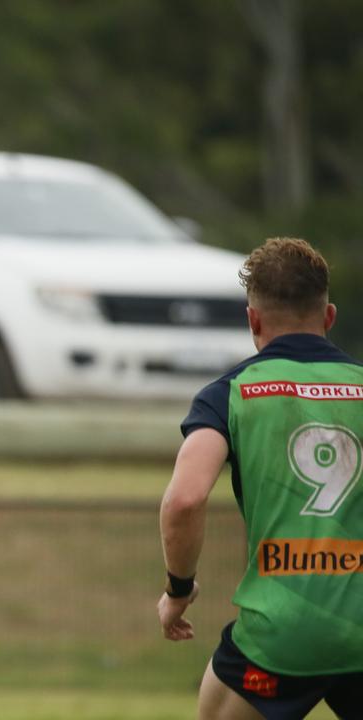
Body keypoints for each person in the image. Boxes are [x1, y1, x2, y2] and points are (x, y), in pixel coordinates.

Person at [158, 237, 362, 719]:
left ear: (253, 321)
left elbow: (185, 500)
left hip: (280, 634)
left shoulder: (228, 394)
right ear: (328, 316)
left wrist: (178, 591)